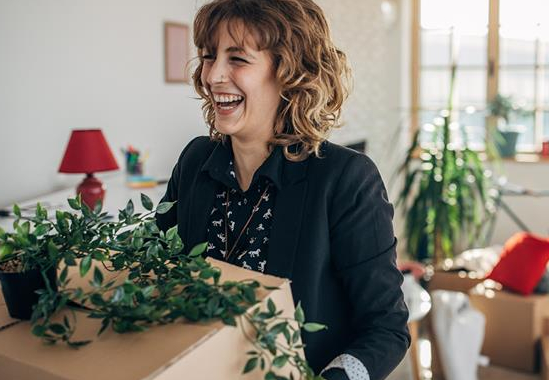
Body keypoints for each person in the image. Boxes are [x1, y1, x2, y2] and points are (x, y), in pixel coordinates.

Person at [155, 1, 410, 379]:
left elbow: (386, 328)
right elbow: (156, 273)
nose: (214, 75)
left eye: (237, 59)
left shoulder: (346, 179)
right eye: (209, 56)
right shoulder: (194, 161)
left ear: (290, 71)